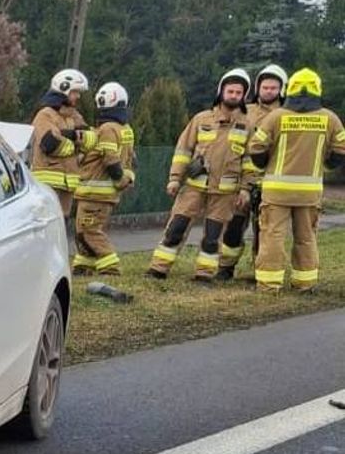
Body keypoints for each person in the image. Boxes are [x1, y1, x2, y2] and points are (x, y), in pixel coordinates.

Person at [147, 69, 253, 282]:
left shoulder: (248, 125)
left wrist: (245, 189)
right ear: (221, 91)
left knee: (213, 237)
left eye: (238, 92)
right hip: (193, 186)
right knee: (176, 228)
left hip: (225, 193)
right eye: (230, 91)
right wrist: (175, 178)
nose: (233, 95)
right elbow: (183, 150)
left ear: (244, 95)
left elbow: (249, 161)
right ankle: (158, 269)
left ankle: (204, 274)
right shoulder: (201, 119)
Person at [246, 67, 345, 292]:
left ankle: (269, 285)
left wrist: (265, 164)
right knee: (306, 237)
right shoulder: (329, 118)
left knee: (272, 236)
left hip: (276, 192)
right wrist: (326, 164)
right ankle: (304, 283)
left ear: (289, 89)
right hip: (309, 193)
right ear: (317, 89)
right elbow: (341, 150)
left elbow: (256, 147)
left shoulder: (276, 116)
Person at [218, 62, 287, 278]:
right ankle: (225, 267)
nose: (268, 91)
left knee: (264, 230)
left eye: (273, 88)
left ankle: (261, 270)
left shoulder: (286, 115)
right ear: (258, 88)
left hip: (271, 182)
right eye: (265, 87)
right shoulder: (245, 111)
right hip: (242, 181)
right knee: (234, 225)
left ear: (281, 90)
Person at [71, 81, 137, 275]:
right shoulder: (125, 129)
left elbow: (110, 159)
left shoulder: (108, 128)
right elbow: (131, 159)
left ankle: (110, 266)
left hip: (95, 193)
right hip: (101, 193)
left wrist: (120, 179)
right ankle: (83, 265)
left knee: (88, 230)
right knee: (82, 230)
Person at [29, 69, 95, 225]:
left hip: (67, 188)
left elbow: (91, 139)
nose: (78, 96)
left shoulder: (74, 116)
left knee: (61, 231)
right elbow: (50, 144)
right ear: (64, 88)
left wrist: (67, 136)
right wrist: (75, 144)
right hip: (47, 187)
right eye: (75, 92)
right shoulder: (45, 115)